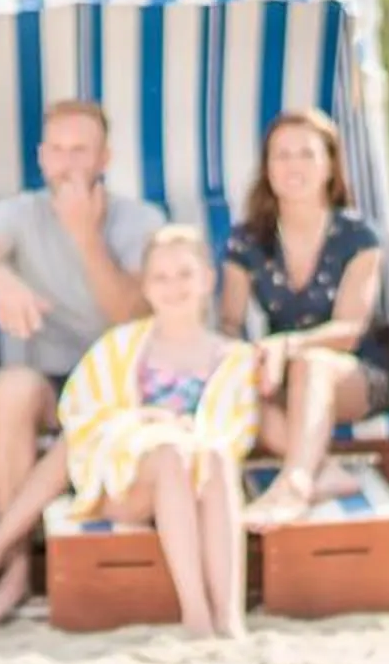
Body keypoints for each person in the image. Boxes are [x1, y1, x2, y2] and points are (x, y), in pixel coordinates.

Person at [0, 99, 164, 623]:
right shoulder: (17, 214)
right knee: (9, 390)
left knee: (92, 412)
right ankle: (17, 568)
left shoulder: (141, 221)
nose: (67, 163)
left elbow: (130, 313)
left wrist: (85, 235)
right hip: (48, 381)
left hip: (120, 383)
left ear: (104, 158)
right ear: (41, 158)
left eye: (79, 150)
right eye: (57, 150)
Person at [52, 224, 258, 637]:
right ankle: (195, 612)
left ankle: (229, 614)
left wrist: (189, 435)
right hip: (129, 483)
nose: (173, 286)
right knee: (167, 453)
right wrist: (144, 421)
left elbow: (237, 429)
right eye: (161, 277)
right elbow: (82, 416)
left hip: (197, 482)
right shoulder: (121, 347)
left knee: (214, 456)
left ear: (207, 280)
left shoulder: (233, 358)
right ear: (145, 287)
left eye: (185, 274)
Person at [219, 110, 389, 530]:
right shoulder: (248, 238)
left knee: (311, 366)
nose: (293, 166)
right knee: (231, 391)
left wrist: (288, 346)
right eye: (281, 155)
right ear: (267, 167)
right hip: (279, 373)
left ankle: (294, 484)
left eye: (306, 154)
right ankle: (324, 471)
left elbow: (350, 331)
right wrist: (243, 358)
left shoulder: (358, 237)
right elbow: (229, 321)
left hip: (351, 374)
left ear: (329, 165)